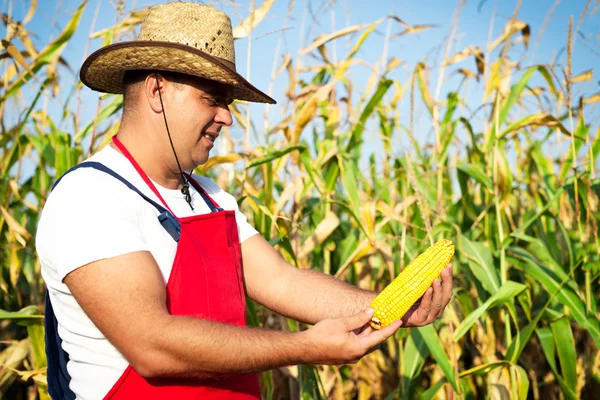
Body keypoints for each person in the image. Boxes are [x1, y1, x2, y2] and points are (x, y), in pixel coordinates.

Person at [36, 2, 453, 399]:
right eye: (212, 98)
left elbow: (281, 281)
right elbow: (152, 346)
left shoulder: (210, 198)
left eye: (228, 103)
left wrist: (391, 307)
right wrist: (305, 347)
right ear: (156, 91)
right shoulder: (90, 197)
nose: (228, 117)